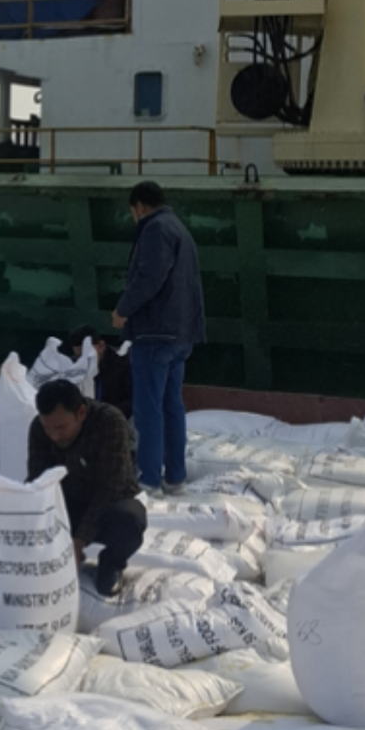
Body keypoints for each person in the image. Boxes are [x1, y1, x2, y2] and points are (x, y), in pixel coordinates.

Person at [111, 181, 205, 495]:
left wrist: (123, 309)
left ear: (139, 206)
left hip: (155, 333)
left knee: (148, 407)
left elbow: (149, 276)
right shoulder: (180, 229)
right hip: (181, 333)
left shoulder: (155, 229)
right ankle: (175, 477)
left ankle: (148, 480)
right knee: (172, 405)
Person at [27, 380, 145, 597]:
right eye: (48, 428)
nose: (54, 436)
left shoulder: (110, 422)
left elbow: (110, 489)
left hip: (107, 505)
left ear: (81, 413)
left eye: (61, 428)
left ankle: (111, 564)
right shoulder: (39, 428)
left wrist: (78, 542)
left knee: (130, 520)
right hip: (65, 505)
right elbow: (38, 481)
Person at [67, 324, 134, 419]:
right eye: (79, 357)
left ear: (101, 346)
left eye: (87, 356)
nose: (83, 361)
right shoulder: (73, 367)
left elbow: (133, 400)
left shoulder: (123, 364)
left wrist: (107, 415)